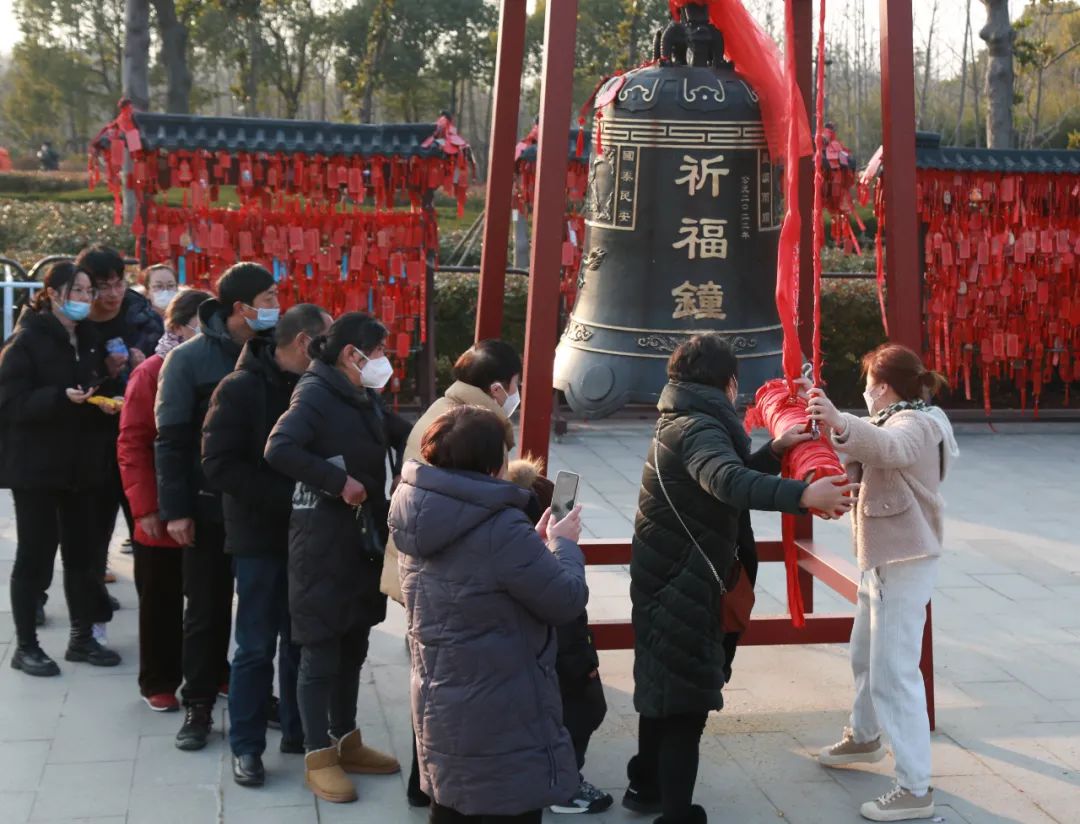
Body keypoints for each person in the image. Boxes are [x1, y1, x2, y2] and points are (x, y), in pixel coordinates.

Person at [624, 333, 857, 824]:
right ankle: (676, 814)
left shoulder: (682, 420)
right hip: (684, 583)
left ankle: (644, 787)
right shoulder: (699, 428)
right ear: (728, 382)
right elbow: (726, 481)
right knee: (684, 707)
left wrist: (775, 449)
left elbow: (717, 476)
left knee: (663, 690)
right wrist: (802, 495)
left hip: (668, 575)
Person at [389, 405, 589, 824]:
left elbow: (482, 574)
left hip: (440, 701)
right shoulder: (502, 528)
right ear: (492, 465)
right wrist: (564, 547)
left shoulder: (415, 512)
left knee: (452, 803)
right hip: (502, 713)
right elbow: (566, 599)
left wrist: (533, 548)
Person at [807, 344, 957, 823]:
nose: (866, 391)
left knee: (894, 672)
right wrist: (829, 420)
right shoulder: (898, 416)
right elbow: (869, 439)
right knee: (864, 653)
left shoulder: (916, 422)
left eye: (869, 382)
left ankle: (915, 788)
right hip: (885, 556)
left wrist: (838, 419)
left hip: (902, 557)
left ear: (884, 385)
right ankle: (864, 736)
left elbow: (890, 448)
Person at [264, 312, 410, 803]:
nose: (384, 361)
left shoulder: (361, 393)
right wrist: (337, 482)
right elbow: (279, 448)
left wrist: (421, 453)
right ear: (353, 354)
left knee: (353, 643)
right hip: (322, 543)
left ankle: (346, 739)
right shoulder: (315, 393)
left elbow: (401, 431)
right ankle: (318, 754)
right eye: (380, 352)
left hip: (360, 540)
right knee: (321, 650)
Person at [379, 338, 523, 807]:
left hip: (432, 569)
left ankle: (429, 781)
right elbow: (453, 509)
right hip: (445, 574)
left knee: (436, 679)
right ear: (497, 388)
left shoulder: (451, 409)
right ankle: (431, 783)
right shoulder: (463, 424)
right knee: (442, 683)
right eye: (516, 384)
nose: (517, 393)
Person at [202, 303, 333, 788]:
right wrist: (288, 495)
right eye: (327, 340)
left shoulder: (317, 386)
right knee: (255, 646)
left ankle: (299, 732)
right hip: (258, 536)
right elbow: (218, 465)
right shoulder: (239, 387)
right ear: (304, 342)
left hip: (308, 535)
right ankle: (247, 746)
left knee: (301, 640)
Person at [155, 262, 280, 751]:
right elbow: (169, 440)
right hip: (206, 508)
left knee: (261, 611)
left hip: (260, 506)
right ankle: (199, 703)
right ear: (240, 307)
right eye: (268, 299)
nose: (276, 307)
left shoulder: (275, 352)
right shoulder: (188, 360)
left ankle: (256, 696)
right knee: (205, 611)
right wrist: (175, 509)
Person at [0, 262, 122, 676]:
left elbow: (92, 389)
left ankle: (82, 637)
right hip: (36, 467)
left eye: (89, 291)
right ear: (52, 294)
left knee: (83, 556)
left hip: (82, 465)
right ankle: (26, 646)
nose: (86, 299)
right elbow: (11, 403)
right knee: (35, 554)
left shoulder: (88, 338)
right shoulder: (26, 341)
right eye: (78, 291)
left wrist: (106, 394)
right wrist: (57, 397)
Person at [118, 289, 211, 712]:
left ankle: (211, 670)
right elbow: (133, 444)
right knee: (161, 598)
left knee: (208, 599)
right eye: (199, 326)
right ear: (176, 327)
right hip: (159, 505)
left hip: (207, 501)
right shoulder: (151, 372)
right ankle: (159, 679)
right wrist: (147, 508)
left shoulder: (221, 366)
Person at [503, 457, 613, 816]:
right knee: (582, 712)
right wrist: (563, 546)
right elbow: (568, 602)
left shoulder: (503, 542)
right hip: (560, 657)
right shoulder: (540, 558)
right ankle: (564, 787)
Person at [78, 246, 163, 579]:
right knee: (91, 526)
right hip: (87, 434)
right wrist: (102, 373)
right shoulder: (74, 319)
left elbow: (165, 365)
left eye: (119, 283)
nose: (113, 294)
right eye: (103, 286)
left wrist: (144, 368)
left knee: (144, 520)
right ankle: (92, 590)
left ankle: (150, 591)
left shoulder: (141, 316)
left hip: (136, 432)